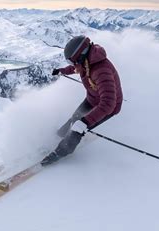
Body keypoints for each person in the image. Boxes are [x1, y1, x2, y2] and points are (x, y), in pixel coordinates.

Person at [41, 35, 123, 166]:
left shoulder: (102, 71)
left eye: (72, 62)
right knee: (74, 118)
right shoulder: (87, 60)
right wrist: (61, 71)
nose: (72, 66)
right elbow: (76, 68)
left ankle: (60, 152)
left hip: (109, 107)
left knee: (77, 128)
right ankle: (58, 137)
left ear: (81, 58)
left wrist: (85, 122)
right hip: (92, 98)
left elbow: (108, 103)